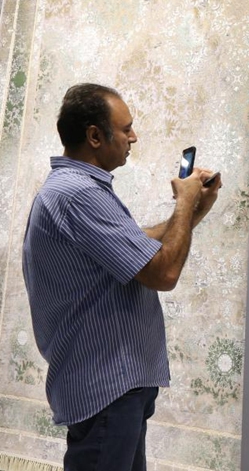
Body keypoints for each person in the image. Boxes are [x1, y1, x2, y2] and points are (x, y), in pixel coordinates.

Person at [22, 83, 222, 471]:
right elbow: (163, 272)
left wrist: (195, 209)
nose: (134, 137)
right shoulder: (77, 193)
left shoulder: (79, 190)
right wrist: (183, 201)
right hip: (105, 389)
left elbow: (136, 246)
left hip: (116, 389)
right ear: (95, 136)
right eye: (126, 128)